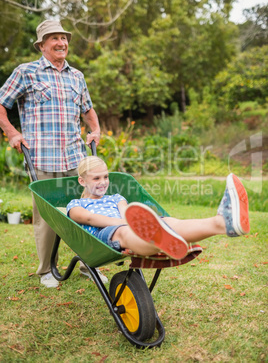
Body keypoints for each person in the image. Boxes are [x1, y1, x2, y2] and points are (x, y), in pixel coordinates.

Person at [0, 20, 108, 287]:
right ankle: (47, 270)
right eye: (54, 38)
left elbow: (88, 109)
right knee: (47, 217)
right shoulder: (27, 72)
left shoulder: (77, 76)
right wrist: (13, 133)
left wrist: (95, 129)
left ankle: (88, 263)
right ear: (42, 45)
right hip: (42, 157)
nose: (61, 42)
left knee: (87, 209)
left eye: (64, 37)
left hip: (75, 157)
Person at [67, 156, 250, 261]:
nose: (103, 182)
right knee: (123, 232)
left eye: (105, 177)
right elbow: (89, 219)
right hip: (106, 236)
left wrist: (133, 221)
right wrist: (125, 223)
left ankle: (221, 223)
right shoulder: (76, 204)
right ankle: (160, 239)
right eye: (96, 178)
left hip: (131, 226)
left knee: (168, 221)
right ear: (82, 181)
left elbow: (125, 210)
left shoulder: (116, 198)